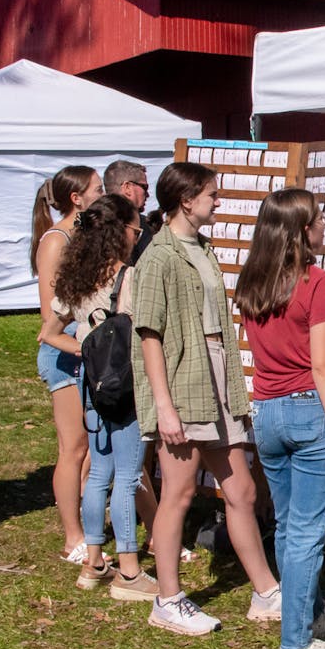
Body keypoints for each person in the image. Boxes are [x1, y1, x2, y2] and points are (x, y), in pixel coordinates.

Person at [132, 162, 279, 635]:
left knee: (242, 490)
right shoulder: (157, 256)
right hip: (181, 381)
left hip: (216, 376)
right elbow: (148, 335)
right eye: (212, 195)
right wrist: (164, 404)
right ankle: (168, 598)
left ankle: (265, 591)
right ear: (186, 200)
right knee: (178, 492)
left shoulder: (204, 248)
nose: (219, 202)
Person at [236, 189, 325, 649]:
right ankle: (296, 644)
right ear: (299, 230)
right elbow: (324, 366)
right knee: (306, 533)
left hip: (267, 411)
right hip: (310, 410)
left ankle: (311, 614)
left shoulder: (253, 283)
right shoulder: (316, 283)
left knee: (290, 528)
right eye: (317, 218)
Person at [40, 194, 160, 600]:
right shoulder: (130, 277)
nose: (137, 236)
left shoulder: (77, 278)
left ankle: (93, 560)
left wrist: (87, 348)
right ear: (120, 232)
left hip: (91, 385)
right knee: (127, 476)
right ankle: (129, 572)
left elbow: (49, 332)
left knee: (99, 473)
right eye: (135, 230)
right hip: (125, 387)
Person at [103, 160, 197, 562]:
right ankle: (131, 560)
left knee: (109, 464)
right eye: (142, 185)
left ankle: (109, 544)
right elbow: (147, 329)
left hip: (110, 370)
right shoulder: (142, 261)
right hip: (123, 368)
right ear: (127, 189)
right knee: (125, 467)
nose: (146, 192)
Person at [30, 165, 103, 563]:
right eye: (98, 188)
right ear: (77, 198)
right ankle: (72, 536)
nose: (103, 192)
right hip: (64, 351)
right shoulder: (55, 240)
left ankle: (89, 528)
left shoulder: (85, 237)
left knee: (91, 448)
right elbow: (49, 310)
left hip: (87, 346)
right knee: (72, 447)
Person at [103, 160, 154, 264]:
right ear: (127, 187)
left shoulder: (146, 224)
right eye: (144, 187)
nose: (147, 194)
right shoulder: (98, 224)